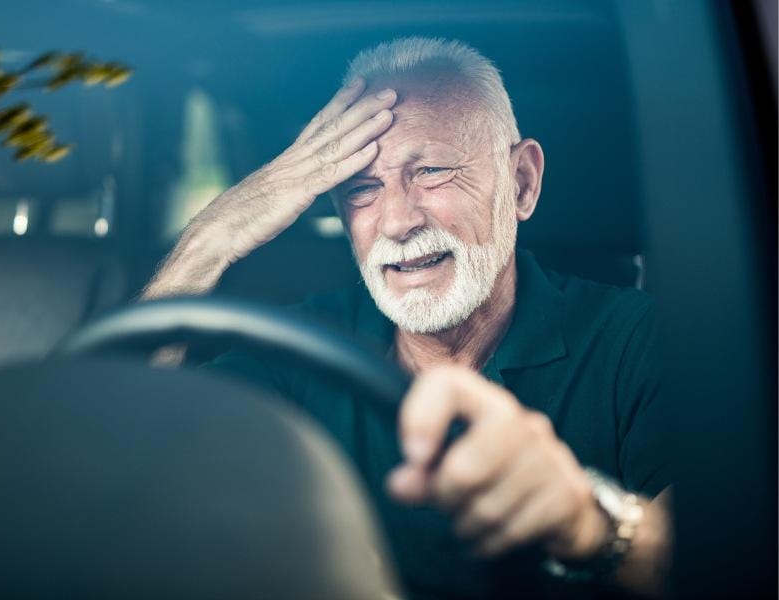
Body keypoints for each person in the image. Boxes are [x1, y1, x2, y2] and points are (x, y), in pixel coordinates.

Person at [143, 37, 672, 598]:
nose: (396, 220)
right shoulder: (301, 349)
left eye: (432, 171)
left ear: (521, 183)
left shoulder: (635, 338)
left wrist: (587, 522)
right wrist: (208, 239)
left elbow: (738, 558)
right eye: (362, 188)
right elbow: (117, 452)